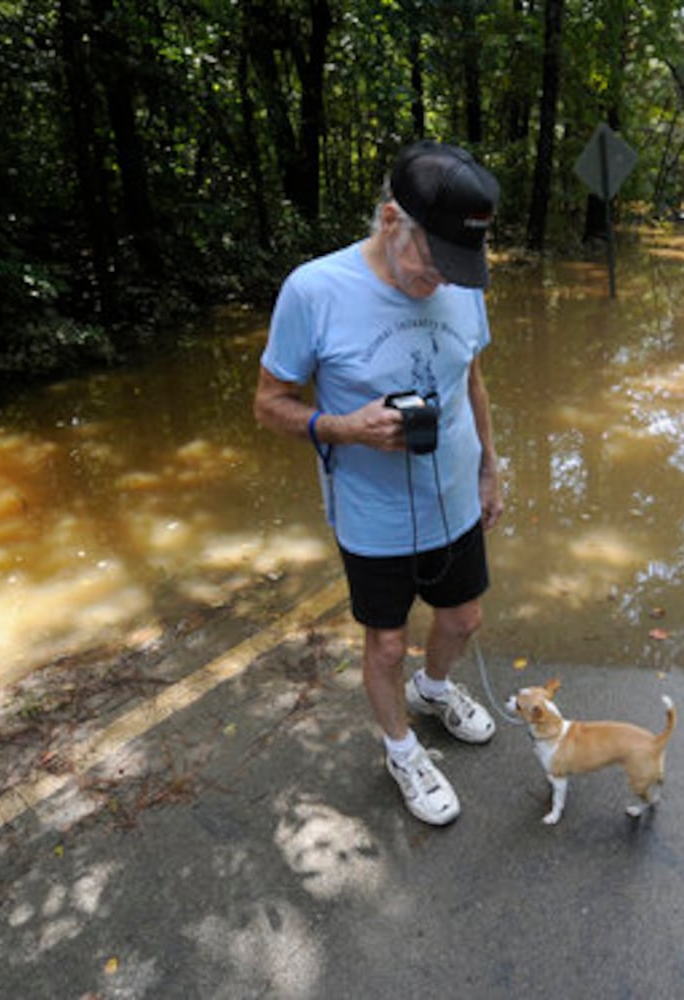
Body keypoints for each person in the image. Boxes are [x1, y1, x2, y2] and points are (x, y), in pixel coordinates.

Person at [253, 140, 504, 826]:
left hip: (454, 495)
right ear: (392, 221)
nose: (441, 282)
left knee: (464, 618)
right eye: (432, 261)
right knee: (386, 643)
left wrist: (488, 467)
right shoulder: (314, 290)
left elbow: (471, 379)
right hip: (372, 509)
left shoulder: (461, 283)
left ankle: (435, 690)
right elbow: (268, 404)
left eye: (459, 266)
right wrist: (344, 428)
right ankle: (401, 751)